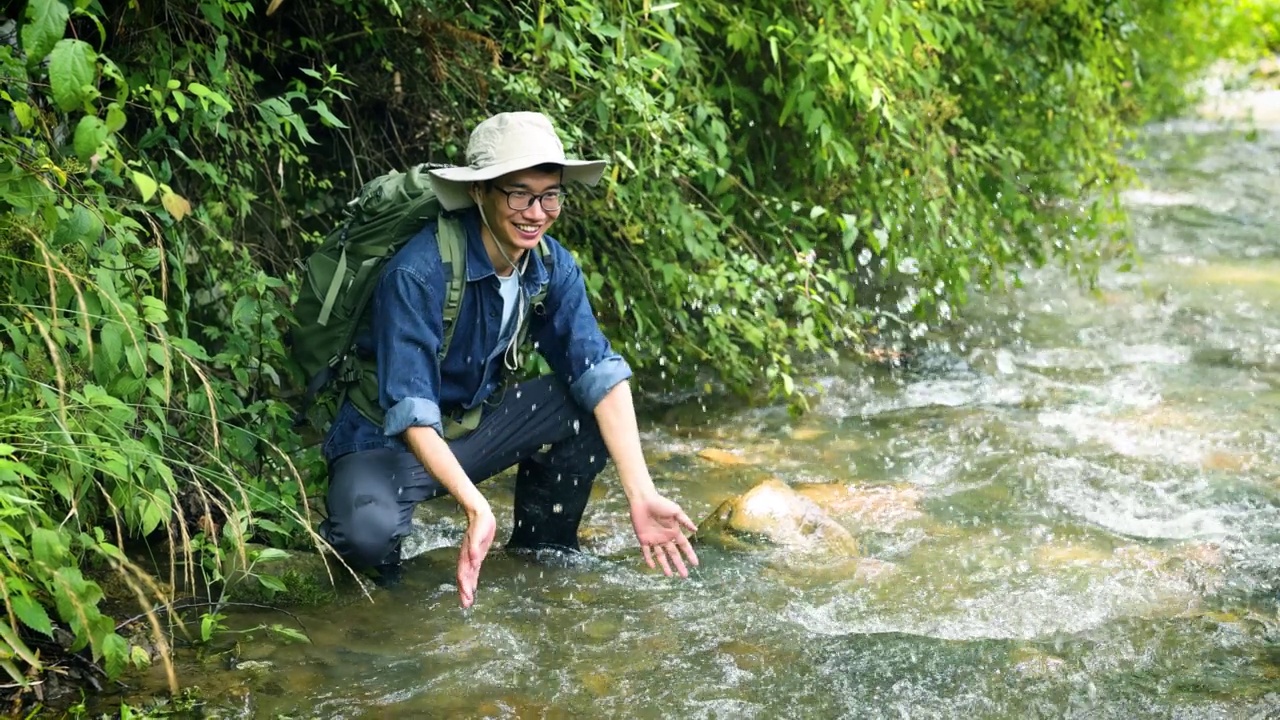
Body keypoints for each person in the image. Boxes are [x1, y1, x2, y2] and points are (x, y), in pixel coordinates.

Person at [318, 111, 699, 607]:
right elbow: (410, 411)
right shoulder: (418, 271)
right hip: (386, 440)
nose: (536, 212)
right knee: (364, 538)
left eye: (550, 195)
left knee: (585, 410)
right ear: (480, 193)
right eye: (519, 194)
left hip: (469, 427)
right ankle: (393, 609)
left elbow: (598, 371)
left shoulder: (549, 263)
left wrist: (640, 493)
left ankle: (540, 555)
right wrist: (478, 508)